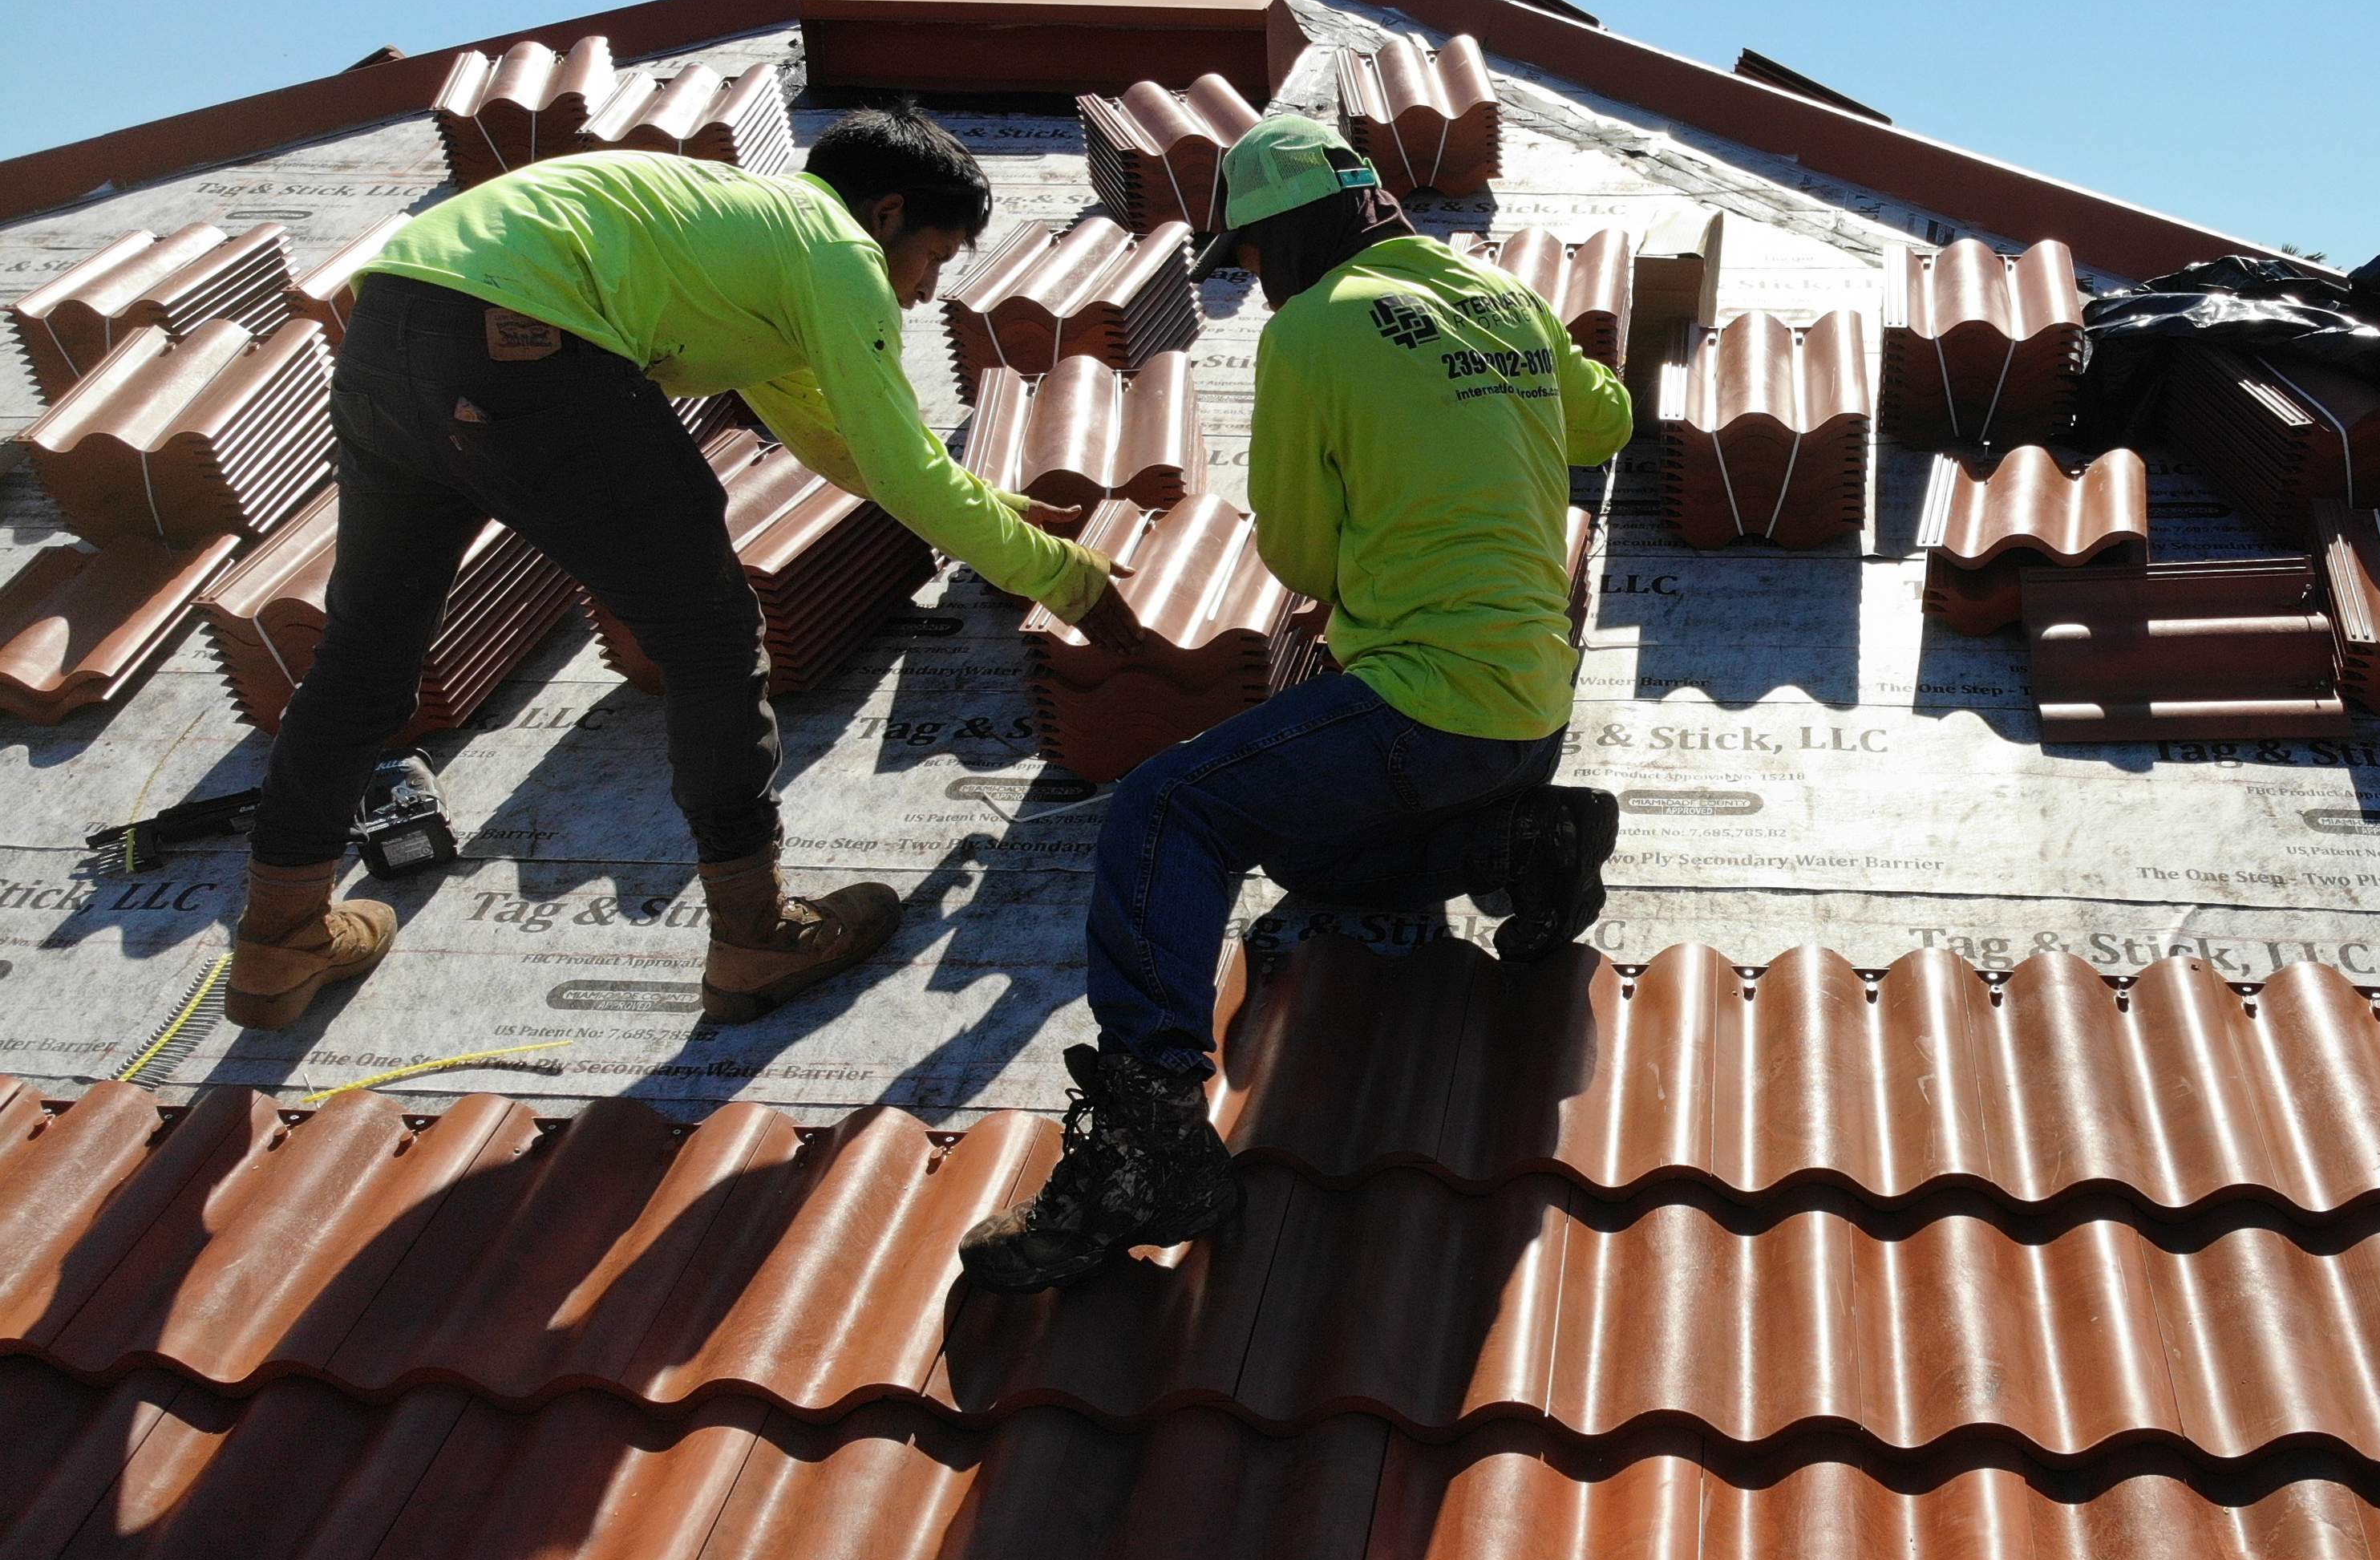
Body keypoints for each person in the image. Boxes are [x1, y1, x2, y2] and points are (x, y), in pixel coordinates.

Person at [226, 105, 1121, 1029]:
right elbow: (899, 463)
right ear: (886, 213)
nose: (927, 292)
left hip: (389, 329)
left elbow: (845, 443)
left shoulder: (742, 240)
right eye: (935, 256)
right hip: (531, 336)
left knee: (366, 649)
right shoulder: (835, 250)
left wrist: (1003, 515)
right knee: (710, 636)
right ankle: (756, 932)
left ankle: (277, 939)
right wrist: (1073, 581)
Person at [959, 112, 1631, 1293]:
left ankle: (1148, 1147)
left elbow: (1304, 561)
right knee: (1317, 872)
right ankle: (1527, 841)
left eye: (1258, 264)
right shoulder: (1502, 297)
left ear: (1290, 242)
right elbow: (1606, 419)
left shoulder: (1314, 333)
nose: (1259, 290)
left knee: (1168, 812)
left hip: (1427, 703)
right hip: (1531, 709)